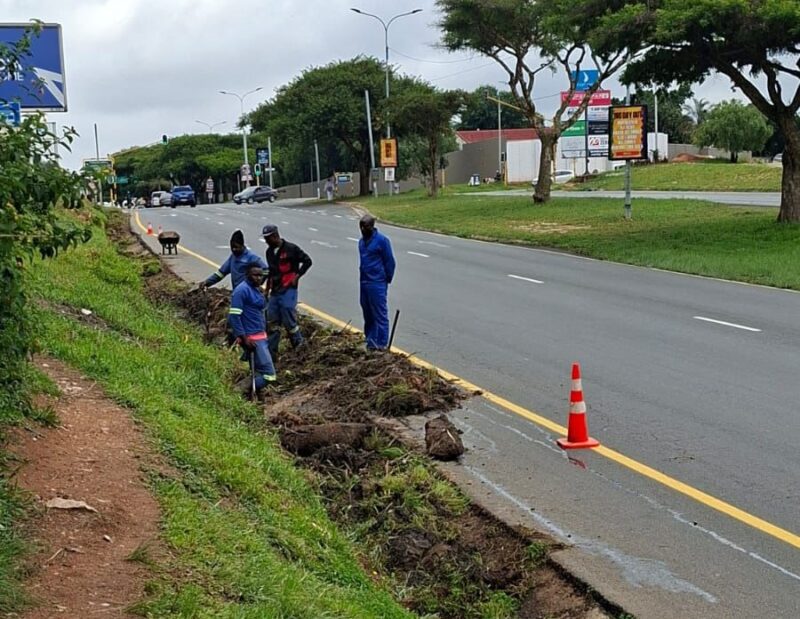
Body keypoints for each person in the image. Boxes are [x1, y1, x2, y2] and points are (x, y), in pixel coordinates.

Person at [262, 224, 312, 358]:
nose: (266, 241)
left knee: (288, 316)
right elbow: (271, 272)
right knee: (272, 321)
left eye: (267, 238)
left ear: (275, 236)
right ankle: (272, 353)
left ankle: (299, 346)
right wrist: (267, 289)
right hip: (275, 290)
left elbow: (307, 261)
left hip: (288, 288)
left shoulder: (291, 249)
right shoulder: (269, 252)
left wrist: (297, 276)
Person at [228, 264, 276, 395]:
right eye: (255, 275)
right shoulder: (242, 290)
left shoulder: (255, 289)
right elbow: (234, 316)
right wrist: (244, 338)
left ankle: (252, 394)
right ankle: (239, 391)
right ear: (247, 275)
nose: (259, 278)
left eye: (260, 275)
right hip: (252, 339)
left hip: (260, 336)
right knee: (269, 375)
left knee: (257, 370)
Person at [358, 214, 396, 350]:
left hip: (377, 282)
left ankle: (381, 344)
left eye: (365, 227)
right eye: (361, 227)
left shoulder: (382, 241)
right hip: (364, 282)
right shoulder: (361, 242)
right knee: (367, 312)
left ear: (372, 226)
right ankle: (371, 341)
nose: (363, 229)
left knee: (379, 314)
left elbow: (390, 261)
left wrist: (385, 279)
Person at [199, 229, 267, 291]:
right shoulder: (233, 257)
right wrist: (207, 282)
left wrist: (258, 283)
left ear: (242, 245)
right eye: (232, 247)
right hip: (237, 291)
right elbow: (221, 273)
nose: (234, 249)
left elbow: (266, 270)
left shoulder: (251, 257)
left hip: (248, 292)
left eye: (236, 247)